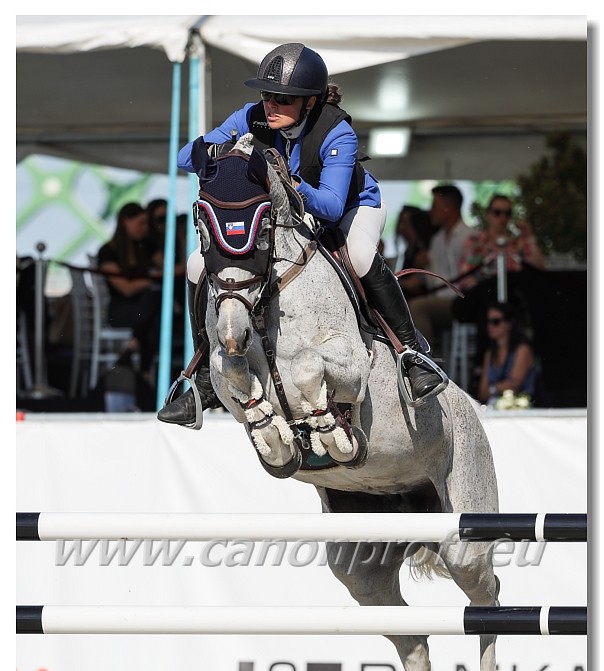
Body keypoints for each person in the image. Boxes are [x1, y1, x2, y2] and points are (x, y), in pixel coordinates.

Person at [158, 42, 446, 427]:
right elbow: (184, 158)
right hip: (283, 216)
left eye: (284, 98)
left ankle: (412, 354)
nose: (271, 104)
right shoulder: (251, 117)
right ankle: (204, 378)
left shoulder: (337, 133)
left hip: (350, 208)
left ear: (309, 102)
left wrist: (284, 179)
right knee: (198, 265)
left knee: (359, 255)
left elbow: (328, 205)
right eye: (266, 94)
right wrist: (229, 147)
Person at [453, 193, 546, 365]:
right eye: (497, 212)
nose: (502, 218)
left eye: (507, 213)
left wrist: (529, 236)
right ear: (488, 214)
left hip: (512, 303)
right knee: (488, 301)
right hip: (479, 300)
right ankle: (484, 367)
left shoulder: (517, 243)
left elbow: (539, 268)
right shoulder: (475, 241)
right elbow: (466, 279)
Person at [96, 202, 162, 386]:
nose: (145, 228)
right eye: (141, 223)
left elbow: (173, 268)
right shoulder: (108, 252)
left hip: (143, 315)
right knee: (155, 302)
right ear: (125, 222)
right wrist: (152, 278)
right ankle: (144, 372)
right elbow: (126, 288)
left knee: (155, 314)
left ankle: (133, 346)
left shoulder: (145, 248)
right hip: (121, 311)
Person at [408, 184, 473, 349]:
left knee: (417, 307)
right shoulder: (437, 240)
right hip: (440, 299)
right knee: (409, 305)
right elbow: (430, 277)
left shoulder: (470, 237)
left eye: (434, 206)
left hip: (460, 301)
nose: (430, 211)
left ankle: (426, 363)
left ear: (448, 208)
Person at [476, 302, 537, 407]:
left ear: (509, 324)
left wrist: (492, 388)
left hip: (523, 409)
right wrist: (499, 387)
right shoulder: (490, 353)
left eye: (496, 322)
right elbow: (482, 392)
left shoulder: (523, 349)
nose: (490, 326)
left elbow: (514, 384)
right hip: (495, 409)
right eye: (488, 321)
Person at [385, 205, 439, 298]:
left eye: (407, 222)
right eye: (401, 222)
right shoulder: (407, 251)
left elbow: (416, 283)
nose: (402, 227)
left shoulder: (423, 251)